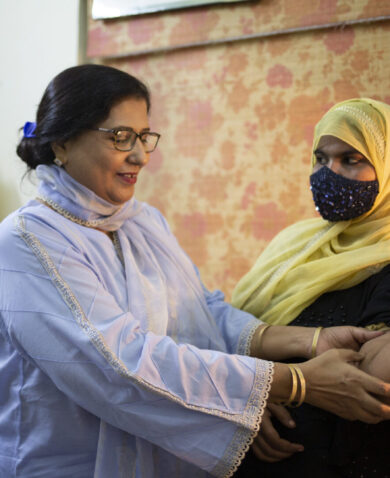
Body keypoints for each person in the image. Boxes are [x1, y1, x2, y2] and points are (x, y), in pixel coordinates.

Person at [1, 67, 389, 478]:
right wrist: (293, 383)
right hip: (61, 465)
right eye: (121, 137)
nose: (140, 155)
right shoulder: (26, 241)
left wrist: (311, 340)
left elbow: (201, 312)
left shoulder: (140, 223)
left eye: (144, 136)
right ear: (62, 142)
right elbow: (116, 366)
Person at [232, 97, 390, 477]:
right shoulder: (294, 244)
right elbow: (225, 331)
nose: (328, 173)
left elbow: (367, 386)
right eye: (321, 159)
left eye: (351, 159)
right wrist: (251, 395)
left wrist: (261, 386)